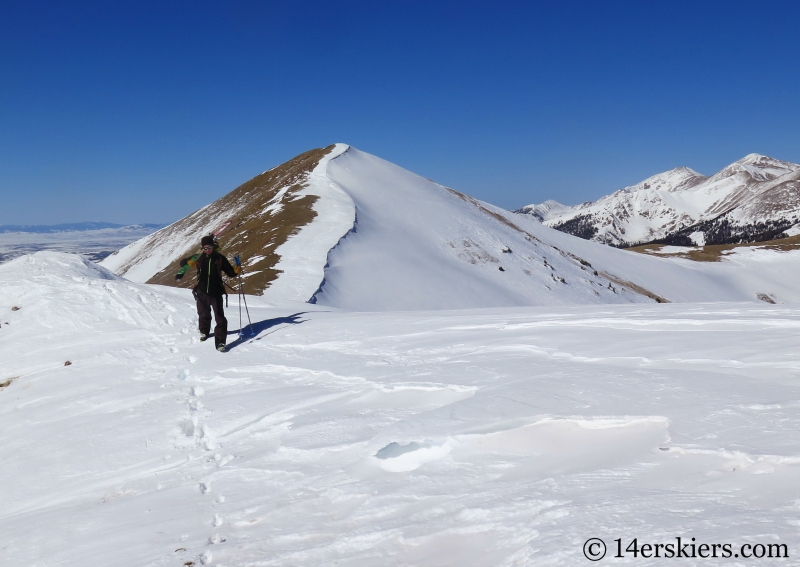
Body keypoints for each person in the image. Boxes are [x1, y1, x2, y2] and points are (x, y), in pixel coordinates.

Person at [182, 235, 239, 352]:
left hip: (216, 292)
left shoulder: (219, 258)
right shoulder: (199, 258)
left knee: (220, 317)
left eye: (210, 247)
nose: (208, 250)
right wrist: (188, 261)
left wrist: (236, 270)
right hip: (201, 291)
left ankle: (220, 342)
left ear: (214, 247)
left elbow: (230, 272)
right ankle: (204, 332)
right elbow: (182, 263)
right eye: (205, 248)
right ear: (202, 248)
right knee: (203, 313)